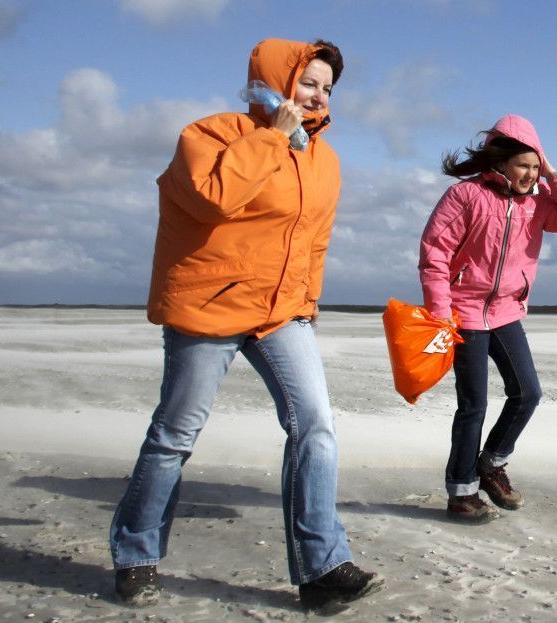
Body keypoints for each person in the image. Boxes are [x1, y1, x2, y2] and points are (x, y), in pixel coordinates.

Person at [107, 38, 381, 615]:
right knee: (175, 434)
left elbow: (314, 239)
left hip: (281, 312)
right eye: (309, 82)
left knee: (316, 426)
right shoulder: (209, 135)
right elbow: (214, 199)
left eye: (327, 88)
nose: (318, 96)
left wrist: (307, 304)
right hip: (210, 304)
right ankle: (136, 556)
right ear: (277, 78)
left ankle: (323, 567)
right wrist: (272, 137)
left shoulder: (323, 158)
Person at [418, 114, 557, 522]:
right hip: (463, 314)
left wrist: (552, 173)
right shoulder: (465, 196)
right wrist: (442, 315)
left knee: (527, 393)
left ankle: (491, 463)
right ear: (501, 162)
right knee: (473, 405)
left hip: (506, 313)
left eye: (535, 167)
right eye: (523, 166)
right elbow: (434, 255)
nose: (530, 174)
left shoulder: (538, 203)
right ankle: (461, 493)